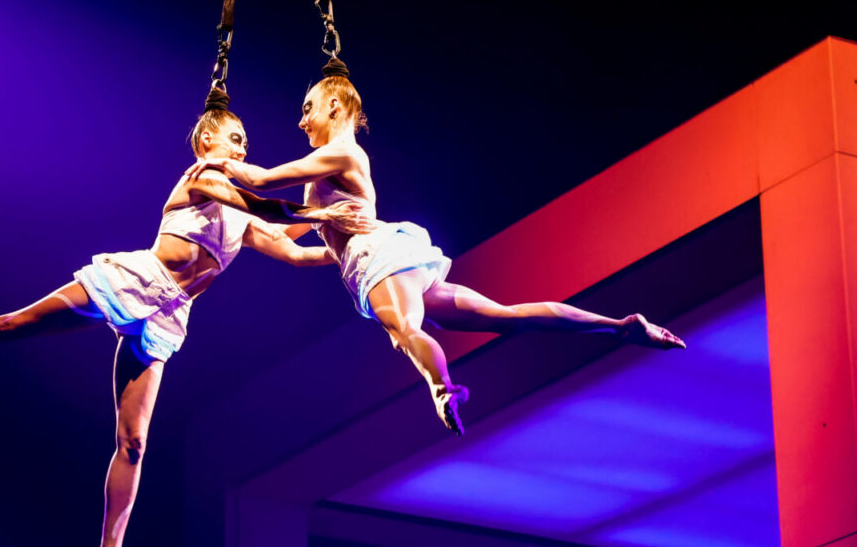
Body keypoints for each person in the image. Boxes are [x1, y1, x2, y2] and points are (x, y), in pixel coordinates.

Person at [0, 107, 372, 547]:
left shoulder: (238, 214)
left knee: (135, 443)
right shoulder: (201, 177)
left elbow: (294, 249)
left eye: (244, 143)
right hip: (134, 282)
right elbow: (267, 204)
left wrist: (348, 239)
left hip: (168, 317)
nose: (240, 147)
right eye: (233, 139)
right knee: (8, 326)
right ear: (204, 142)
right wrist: (317, 212)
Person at [189, 73, 684, 436]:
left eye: (309, 107)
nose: (301, 120)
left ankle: (443, 388)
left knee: (406, 332)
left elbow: (264, 180)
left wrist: (217, 160)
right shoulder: (331, 170)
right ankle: (621, 327)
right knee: (505, 317)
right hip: (384, 260)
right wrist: (292, 224)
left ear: (336, 107)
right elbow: (295, 243)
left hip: (378, 261)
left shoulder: (342, 152)